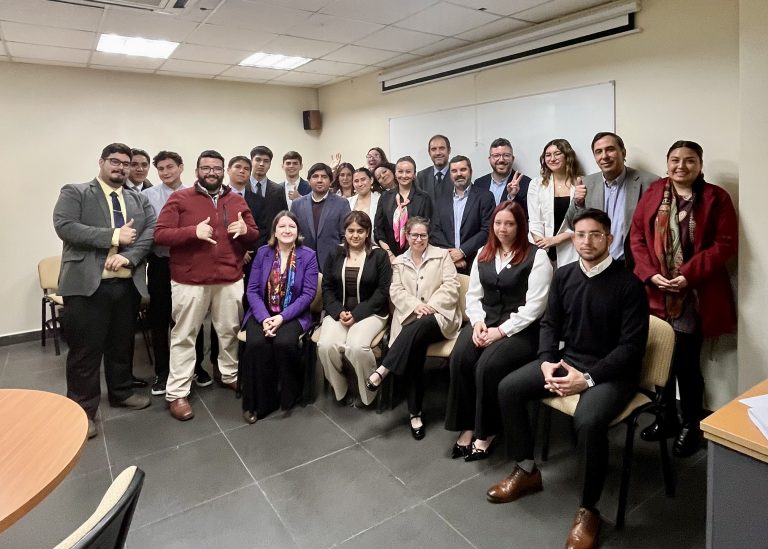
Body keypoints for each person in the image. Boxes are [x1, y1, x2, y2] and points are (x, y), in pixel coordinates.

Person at [486, 208, 649, 549]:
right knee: (509, 388)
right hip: (568, 360)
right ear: (572, 238)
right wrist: (546, 361)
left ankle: (589, 510)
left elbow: (631, 349)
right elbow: (550, 325)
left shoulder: (629, 285)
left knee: (588, 422)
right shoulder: (565, 276)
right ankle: (527, 470)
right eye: (580, 234)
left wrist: (587, 379)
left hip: (612, 373)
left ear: (610, 238)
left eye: (595, 234)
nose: (586, 241)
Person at [631, 140, 737, 457]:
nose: (681, 166)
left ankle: (691, 424)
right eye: (675, 160)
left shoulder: (717, 198)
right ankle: (666, 417)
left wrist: (688, 274)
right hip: (655, 292)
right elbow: (636, 237)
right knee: (659, 356)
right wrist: (650, 273)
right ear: (667, 164)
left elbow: (724, 244)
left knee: (686, 363)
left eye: (689, 160)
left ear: (700, 165)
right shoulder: (653, 192)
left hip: (694, 294)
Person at [52, 143, 155, 439]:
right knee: (85, 352)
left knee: (121, 344)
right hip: (87, 286)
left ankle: (121, 392)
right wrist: (113, 236)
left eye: (126, 163)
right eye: (115, 161)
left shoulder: (138, 199)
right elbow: (65, 226)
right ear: (101, 162)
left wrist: (130, 255)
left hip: (126, 284)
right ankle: (82, 412)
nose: (121, 167)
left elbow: (149, 232)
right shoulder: (76, 192)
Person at [154, 150, 259, 421]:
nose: (211, 172)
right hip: (189, 280)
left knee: (228, 331)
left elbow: (255, 235)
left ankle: (228, 374)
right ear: (197, 170)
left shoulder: (235, 200)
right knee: (184, 335)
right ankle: (177, 392)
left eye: (216, 168)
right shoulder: (180, 198)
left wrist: (246, 232)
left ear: (223, 171)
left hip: (229, 278)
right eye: (206, 168)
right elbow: (161, 234)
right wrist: (192, 232)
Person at [445, 201, 552, 460]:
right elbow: (474, 295)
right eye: (498, 223)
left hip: (521, 330)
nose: (503, 228)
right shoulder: (483, 252)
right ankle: (468, 424)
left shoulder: (537, 257)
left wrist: (500, 332)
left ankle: (488, 430)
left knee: (487, 366)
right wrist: (479, 322)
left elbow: (535, 307)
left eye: (510, 223)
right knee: (460, 358)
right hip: (485, 322)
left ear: (520, 226)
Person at [365, 217, 461, 440]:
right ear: (406, 236)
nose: (419, 239)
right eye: (414, 235)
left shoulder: (442, 256)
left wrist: (430, 306)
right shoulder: (398, 262)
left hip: (439, 318)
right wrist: (417, 306)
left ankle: (384, 369)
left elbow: (452, 286)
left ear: (429, 236)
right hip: (410, 318)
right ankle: (415, 414)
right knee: (415, 349)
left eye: (423, 235)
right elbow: (396, 292)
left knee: (425, 323)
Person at [240, 211, 319, 423]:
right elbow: (252, 290)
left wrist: (281, 318)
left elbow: (308, 294)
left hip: (293, 314)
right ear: (274, 231)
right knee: (257, 344)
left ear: (298, 231)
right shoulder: (263, 253)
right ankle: (258, 403)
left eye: (291, 226)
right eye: (282, 226)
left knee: (284, 343)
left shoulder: (308, 255)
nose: (286, 230)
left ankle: (288, 395)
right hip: (262, 312)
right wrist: (265, 318)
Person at [318, 211, 391, 406]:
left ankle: (368, 392)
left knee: (357, 347)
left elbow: (382, 292)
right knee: (325, 346)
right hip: (338, 312)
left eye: (360, 231)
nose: (355, 235)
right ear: (345, 232)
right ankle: (341, 389)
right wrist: (337, 311)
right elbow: (327, 288)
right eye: (351, 231)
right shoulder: (335, 253)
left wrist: (357, 315)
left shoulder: (379, 256)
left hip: (371, 313)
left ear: (368, 232)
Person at [565, 132, 658, 267]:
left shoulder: (649, 182)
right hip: (598, 264)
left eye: (610, 149)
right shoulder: (586, 183)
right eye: (598, 152)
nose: (604, 156)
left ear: (623, 152)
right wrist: (577, 202)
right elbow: (570, 224)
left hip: (634, 265)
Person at [430, 155, 495, 274]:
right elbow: (435, 231)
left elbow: (487, 230)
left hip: (477, 262)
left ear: (471, 171)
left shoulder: (485, 197)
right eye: (454, 171)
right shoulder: (441, 199)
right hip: (446, 263)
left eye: (463, 170)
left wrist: (462, 252)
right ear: (450, 174)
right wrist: (452, 255)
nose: (458, 174)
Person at [527, 138, 581, 267]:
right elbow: (534, 220)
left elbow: (582, 222)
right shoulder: (536, 184)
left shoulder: (581, 183)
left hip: (571, 247)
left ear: (568, 156)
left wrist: (555, 240)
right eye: (548, 155)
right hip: (541, 247)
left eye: (557, 154)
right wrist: (542, 245)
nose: (552, 159)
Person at [290, 162, 351, 273]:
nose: (319, 180)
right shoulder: (297, 204)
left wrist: (341, 258)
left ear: (331, 181)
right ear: (309, 181)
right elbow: (292, 234)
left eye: (324, 177)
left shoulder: (342, 203)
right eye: (315, 176)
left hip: (333, 263)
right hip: (303, 263)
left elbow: (346, 234)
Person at [374, 156, 433, 261]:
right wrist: (390, 255)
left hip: (417, 255)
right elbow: (379, 229)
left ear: (414, 174)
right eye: (400, 171)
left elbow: (428, 229)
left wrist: (414, 254)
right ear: (395, 174)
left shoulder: (424, 198)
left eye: (408, 172)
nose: (404, 175)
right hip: (389, 256)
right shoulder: (385, 197)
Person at [245, 145, 288, 250]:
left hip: (271, 246)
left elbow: (283, 218)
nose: (261, 164)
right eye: (258, 160)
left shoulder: (278, 190)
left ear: (269, 165)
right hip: (245, 248)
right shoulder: (241, 187)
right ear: (251, 162)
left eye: (266, 161)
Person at [474, 138, 532, 213]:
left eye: (506, 155)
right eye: (496, 155)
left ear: (512, 158)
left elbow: (526, 217)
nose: (501, 160)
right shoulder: (479, 183)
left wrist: (512, 197)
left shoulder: (526, 183)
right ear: (489, 159)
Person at [415, 134, 452, 200]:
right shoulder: (422, 176)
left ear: (449, 150)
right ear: (429, 153)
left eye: (442, 148)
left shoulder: (457, 174)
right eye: (433, 149)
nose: (438, 153)